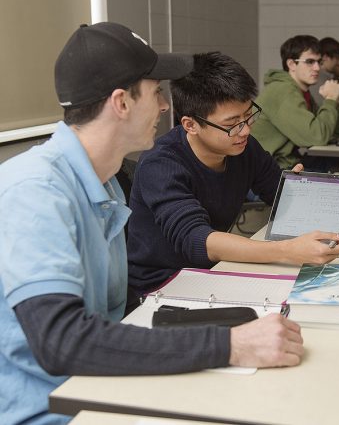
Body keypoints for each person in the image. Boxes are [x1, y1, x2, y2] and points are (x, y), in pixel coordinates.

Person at [0, 23, 306, 425]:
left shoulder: (103, 183)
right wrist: (230, 344)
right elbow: (62, 342)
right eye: (156, 92)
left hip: (106, 382)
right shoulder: (35, 192)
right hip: (56, 408)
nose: (164, 107)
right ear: (121, 103)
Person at [127, 51, 339, 299]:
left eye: (248, 115)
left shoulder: (243, 147)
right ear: (191, 125)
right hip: (163, 284)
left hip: (214, 271)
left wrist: (295, 191)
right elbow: (198, 240)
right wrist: (287, 250)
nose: (245, 130)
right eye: (232, 123)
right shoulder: (161, 163)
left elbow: (278, 192)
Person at [251, 35, 339, 170]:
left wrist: (337, 100)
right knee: (338, 169)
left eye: (319, 62)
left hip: (288, 162)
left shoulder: (301, 91)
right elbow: (317, 137)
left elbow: (335, 133)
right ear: (291, 64)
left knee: (337, 162)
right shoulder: (282, 90)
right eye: (310, 61)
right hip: (269, 170)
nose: (317, 68)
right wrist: (330, 100)